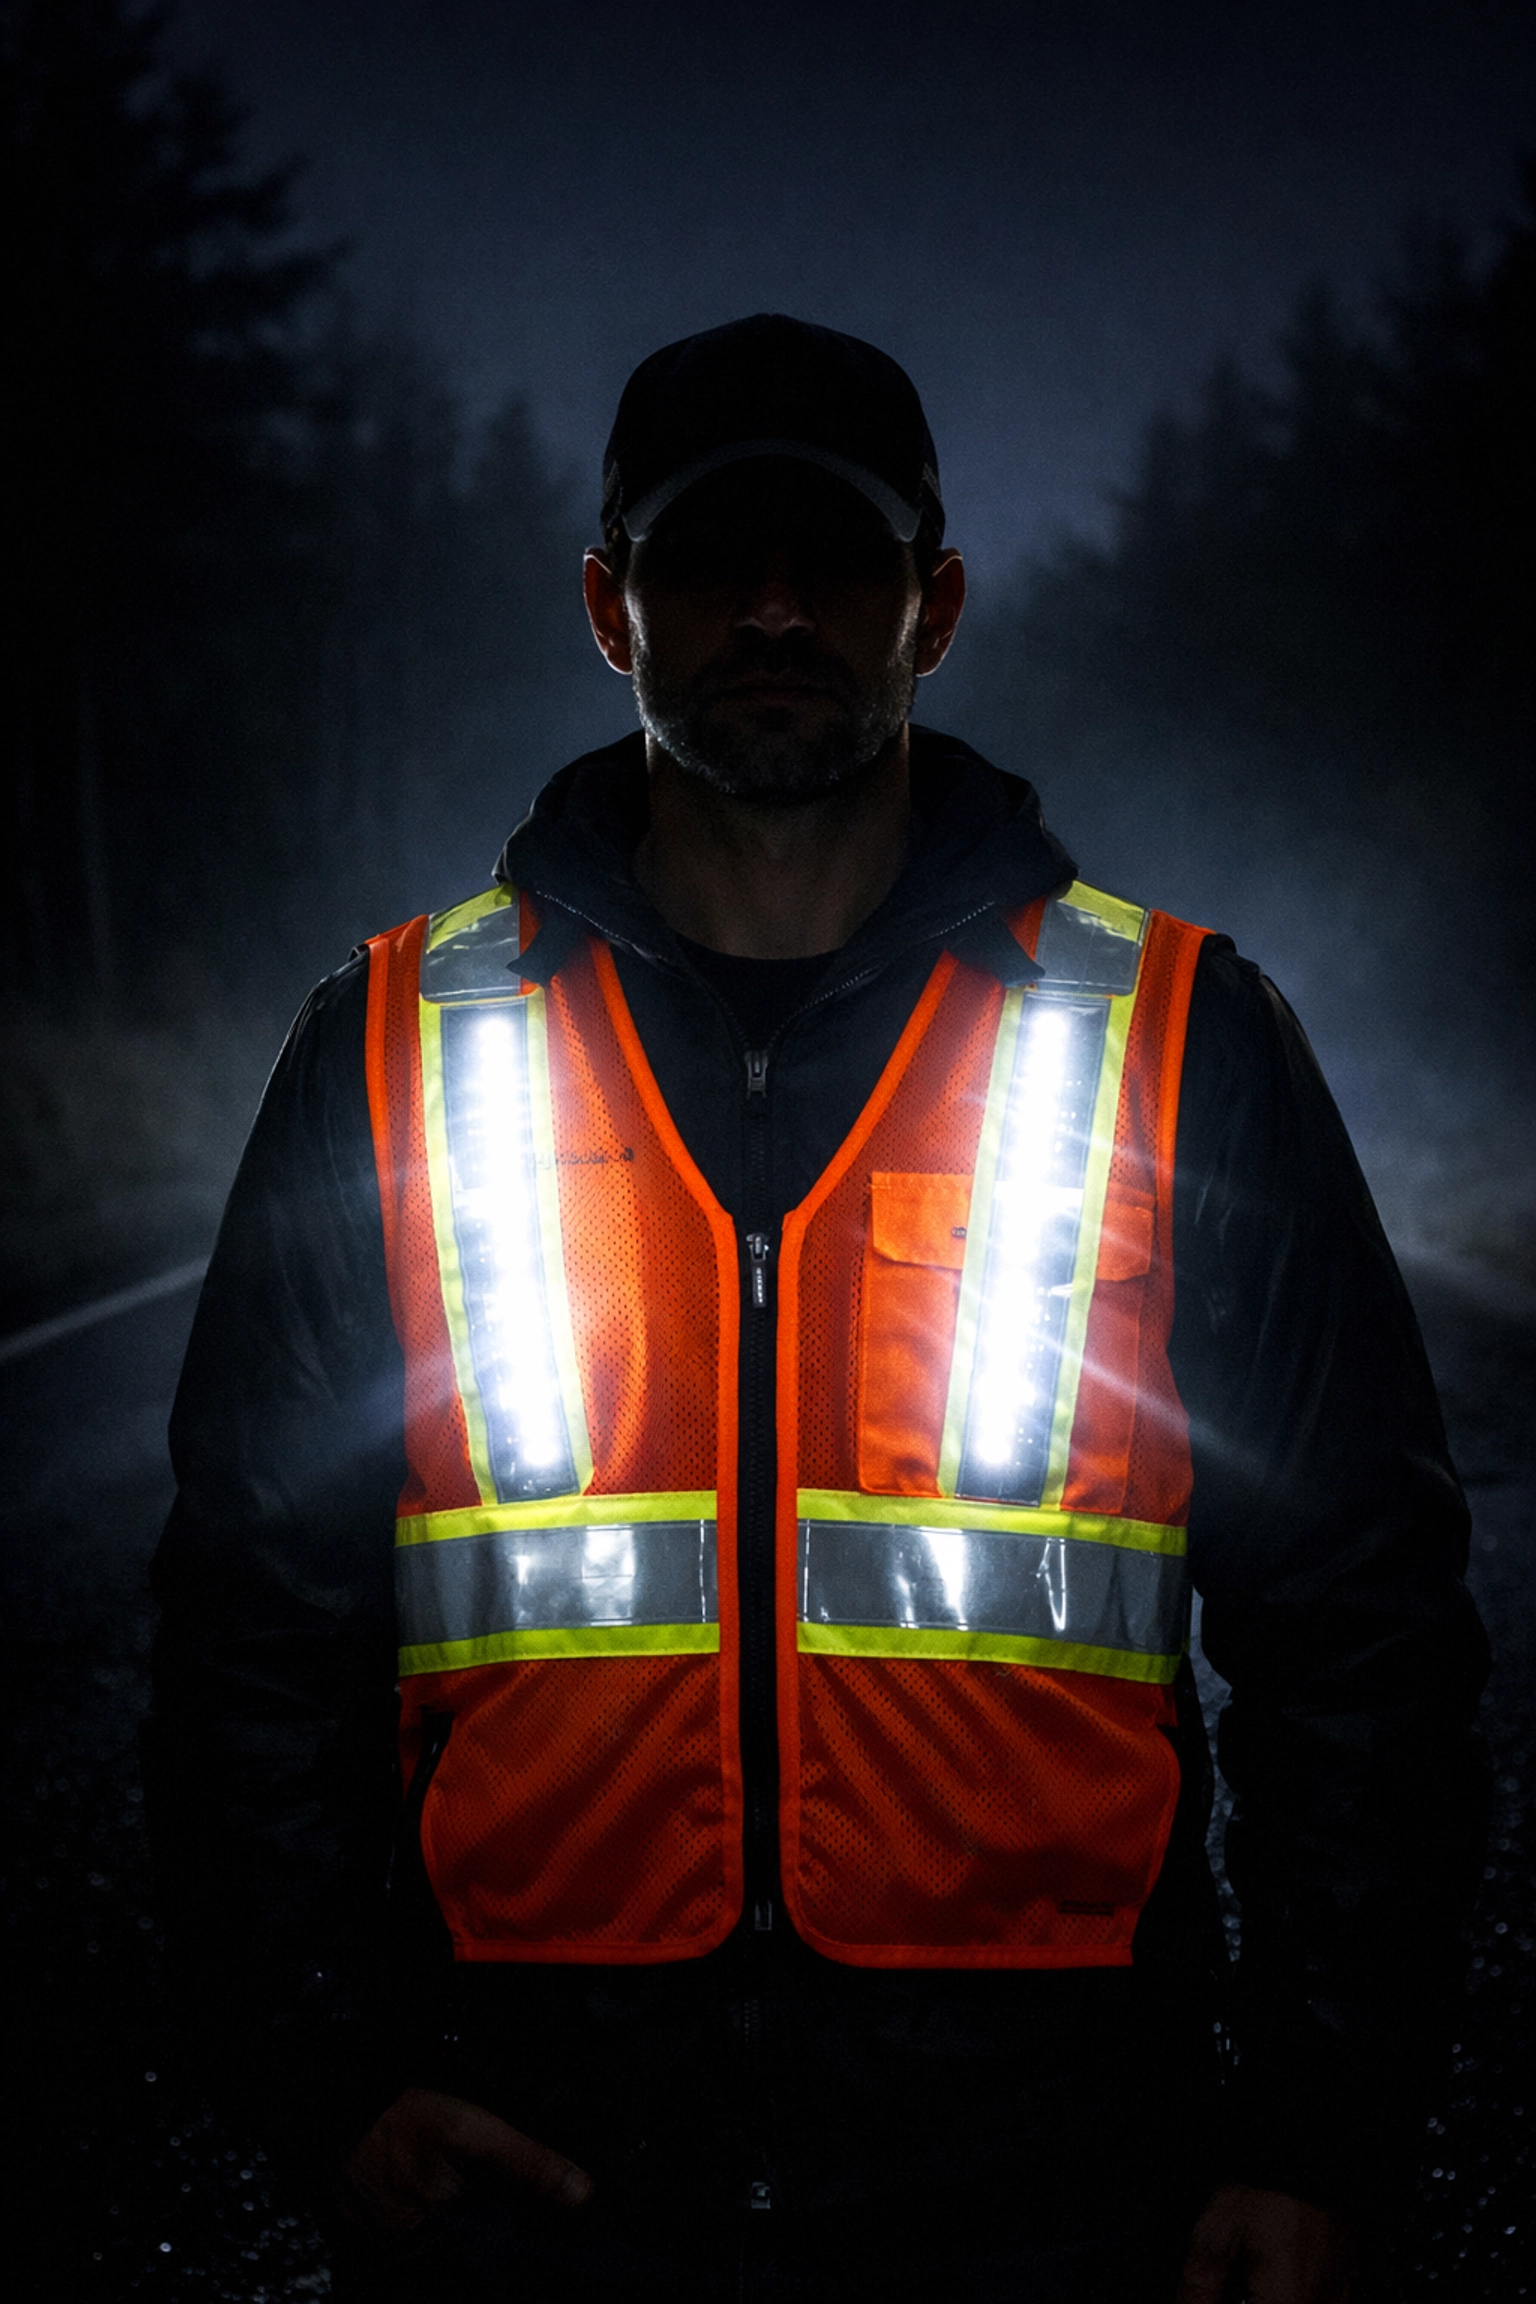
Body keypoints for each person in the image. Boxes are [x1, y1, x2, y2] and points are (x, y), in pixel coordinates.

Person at [145, 314, 1489, 2304]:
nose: (773, 609)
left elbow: (1362, 1627)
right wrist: (330, 2081)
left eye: (838, 558)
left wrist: (1315, 2136)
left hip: (1054, 2185)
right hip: (538, 2188)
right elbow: (250, 1630)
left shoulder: (1183, 1036)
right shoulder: (392, 1042)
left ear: (933, 606)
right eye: (707, 557)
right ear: (608, 606)